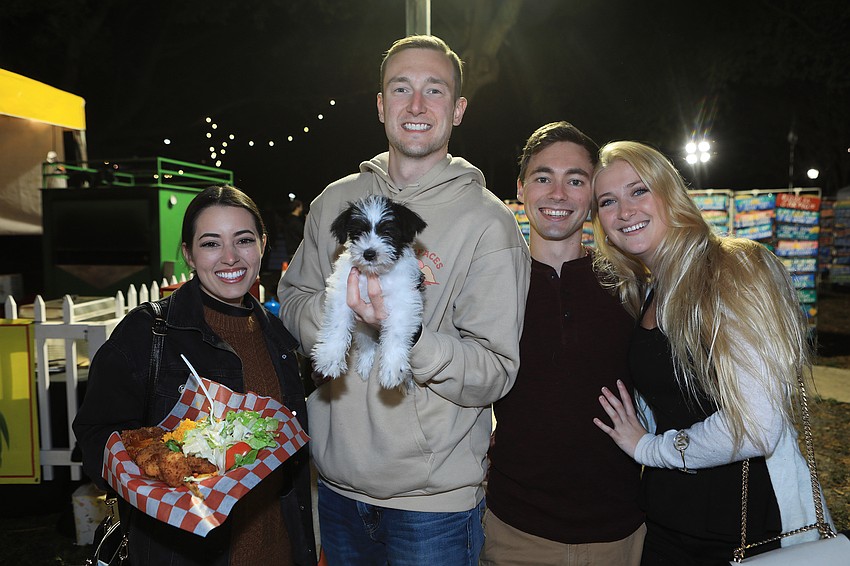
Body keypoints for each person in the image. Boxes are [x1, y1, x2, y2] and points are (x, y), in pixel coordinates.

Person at [277, 34, 530, 565]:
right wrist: (338, 320)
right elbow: (294, 293)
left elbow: (495, 369)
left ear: (458, 110)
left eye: (434, 91)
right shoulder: (334, 202)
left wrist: (408, 337)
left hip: (434, 506)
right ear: (379, 104)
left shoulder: (489, 223)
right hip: (339, 489)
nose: (416, 106)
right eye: (401, 89)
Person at [590, 141, 833, 565]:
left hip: (745, 531)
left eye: (639, 190)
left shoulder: (733, 270)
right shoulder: (647, 290)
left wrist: (649, 448)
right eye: (608, 201)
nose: (624, 211)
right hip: (667, 521)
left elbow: (757, 426)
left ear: (670, 193)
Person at [73, 185, 317, 566]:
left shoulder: (278, 335)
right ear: (188, 253)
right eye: (210, 243)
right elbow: (93, 436)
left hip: (279, 549)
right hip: (185, 554)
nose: (231, 257)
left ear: (263, 245)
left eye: (244, 240)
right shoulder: (147, 332)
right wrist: (148, 477)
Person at [481, 122, 645, 566]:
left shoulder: (631, 288)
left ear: (592, 192)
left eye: (575, 180)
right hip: (515, 532)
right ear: (520, 188)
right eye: (543, 177)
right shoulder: (488, 288)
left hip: (622, 533)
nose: (558, 194)